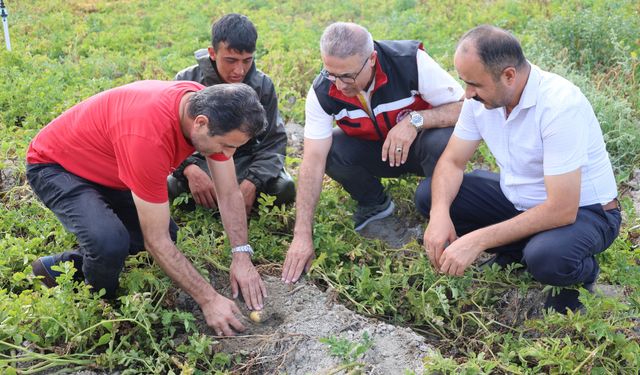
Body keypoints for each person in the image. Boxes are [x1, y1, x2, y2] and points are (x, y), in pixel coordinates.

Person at [27, 81, 268, 336]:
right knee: (109, 242)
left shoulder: (209, 107)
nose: (228, 154)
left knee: (164, 235)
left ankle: (55, 268)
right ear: (200, 123)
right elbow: (157, 242)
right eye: (227, 146)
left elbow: (229, 192)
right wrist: (209, 300)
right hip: (56, 166)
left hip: (112, 168)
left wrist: (241, 255)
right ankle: (102, 310)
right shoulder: (149, 137)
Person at [418, 25, 621, 313]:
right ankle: (517, 250)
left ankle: (580, 275)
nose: (468, 93)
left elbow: (562, 209)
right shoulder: (480, 100)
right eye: (465, 82)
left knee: (548, 257)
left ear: (509, 75)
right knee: (430, 196)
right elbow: (452, 162)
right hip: (520, 201)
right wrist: (439, 216)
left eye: (475, 84)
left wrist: (477, 240)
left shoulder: (559, 105)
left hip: (586, 212)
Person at [281, 22, 464, 284]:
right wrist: (302, 234)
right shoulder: (323, 89)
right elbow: (312, 160)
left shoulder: (410, 62)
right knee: (332, 148)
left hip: (422, 146)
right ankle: (375, 205)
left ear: (372, 60)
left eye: (347, 76)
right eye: (330, 72)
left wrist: (415, 121)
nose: (339, 84)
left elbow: (464, 109)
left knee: (443, 141)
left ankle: (444, 211)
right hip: (378, 152)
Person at [168, 13, 294, 214]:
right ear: (212, 53)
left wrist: (252, 182)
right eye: (231, 60)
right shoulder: (186, 79)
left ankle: (226, 202)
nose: (239, 70)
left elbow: (274, 143)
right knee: (172, 186)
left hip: (245, 160)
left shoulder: (263, 85)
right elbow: (169, 135)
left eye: (247, 60)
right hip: (202, 160)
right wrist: (189, 170)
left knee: (284, 188)